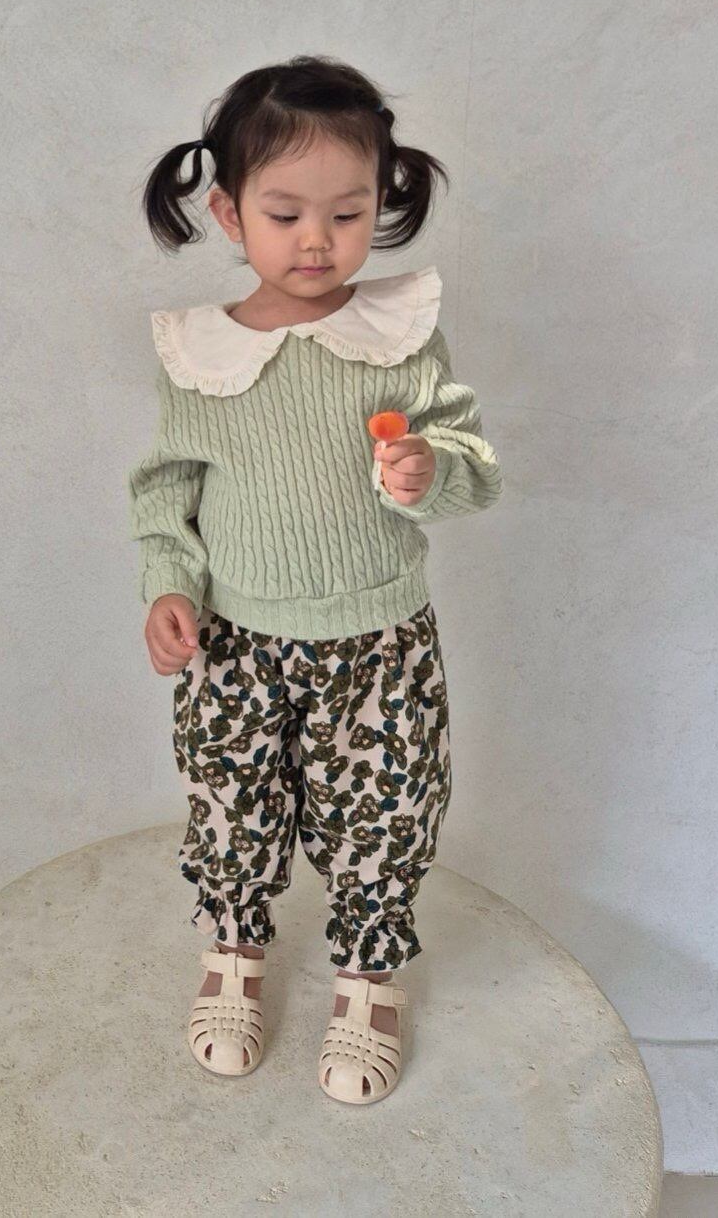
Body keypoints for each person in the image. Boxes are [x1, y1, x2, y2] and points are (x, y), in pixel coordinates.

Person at [125, 54, 504, 1105]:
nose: (316, 239)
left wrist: (429, 470)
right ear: (228, 211)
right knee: (230, 802)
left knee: (382, 813)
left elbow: (472, 464)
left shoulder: (398, 337)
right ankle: (234, 953)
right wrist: (168, 586)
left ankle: (368, 978)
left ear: (380, 203)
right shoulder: (200, 355)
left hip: (378, 643)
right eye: (284, 212)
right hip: (236, 643)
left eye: (346, 213)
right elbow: (165, 491)